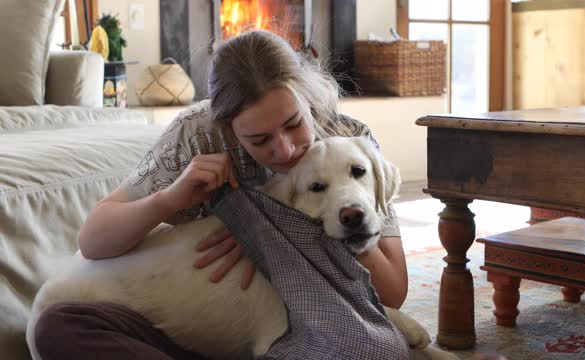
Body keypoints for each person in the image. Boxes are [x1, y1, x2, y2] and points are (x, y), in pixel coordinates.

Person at [34, 29, 408, 359]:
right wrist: (171, 199)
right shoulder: (195, 134)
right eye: (259, 140)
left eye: (293, 125)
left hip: (293, 322)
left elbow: (392, 291)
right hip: (171, 328)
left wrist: (348, 215)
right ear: (228, 128)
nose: (284, 150)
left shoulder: (349, 142)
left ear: (307, 96)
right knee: (56, 328)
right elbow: (93, 240)